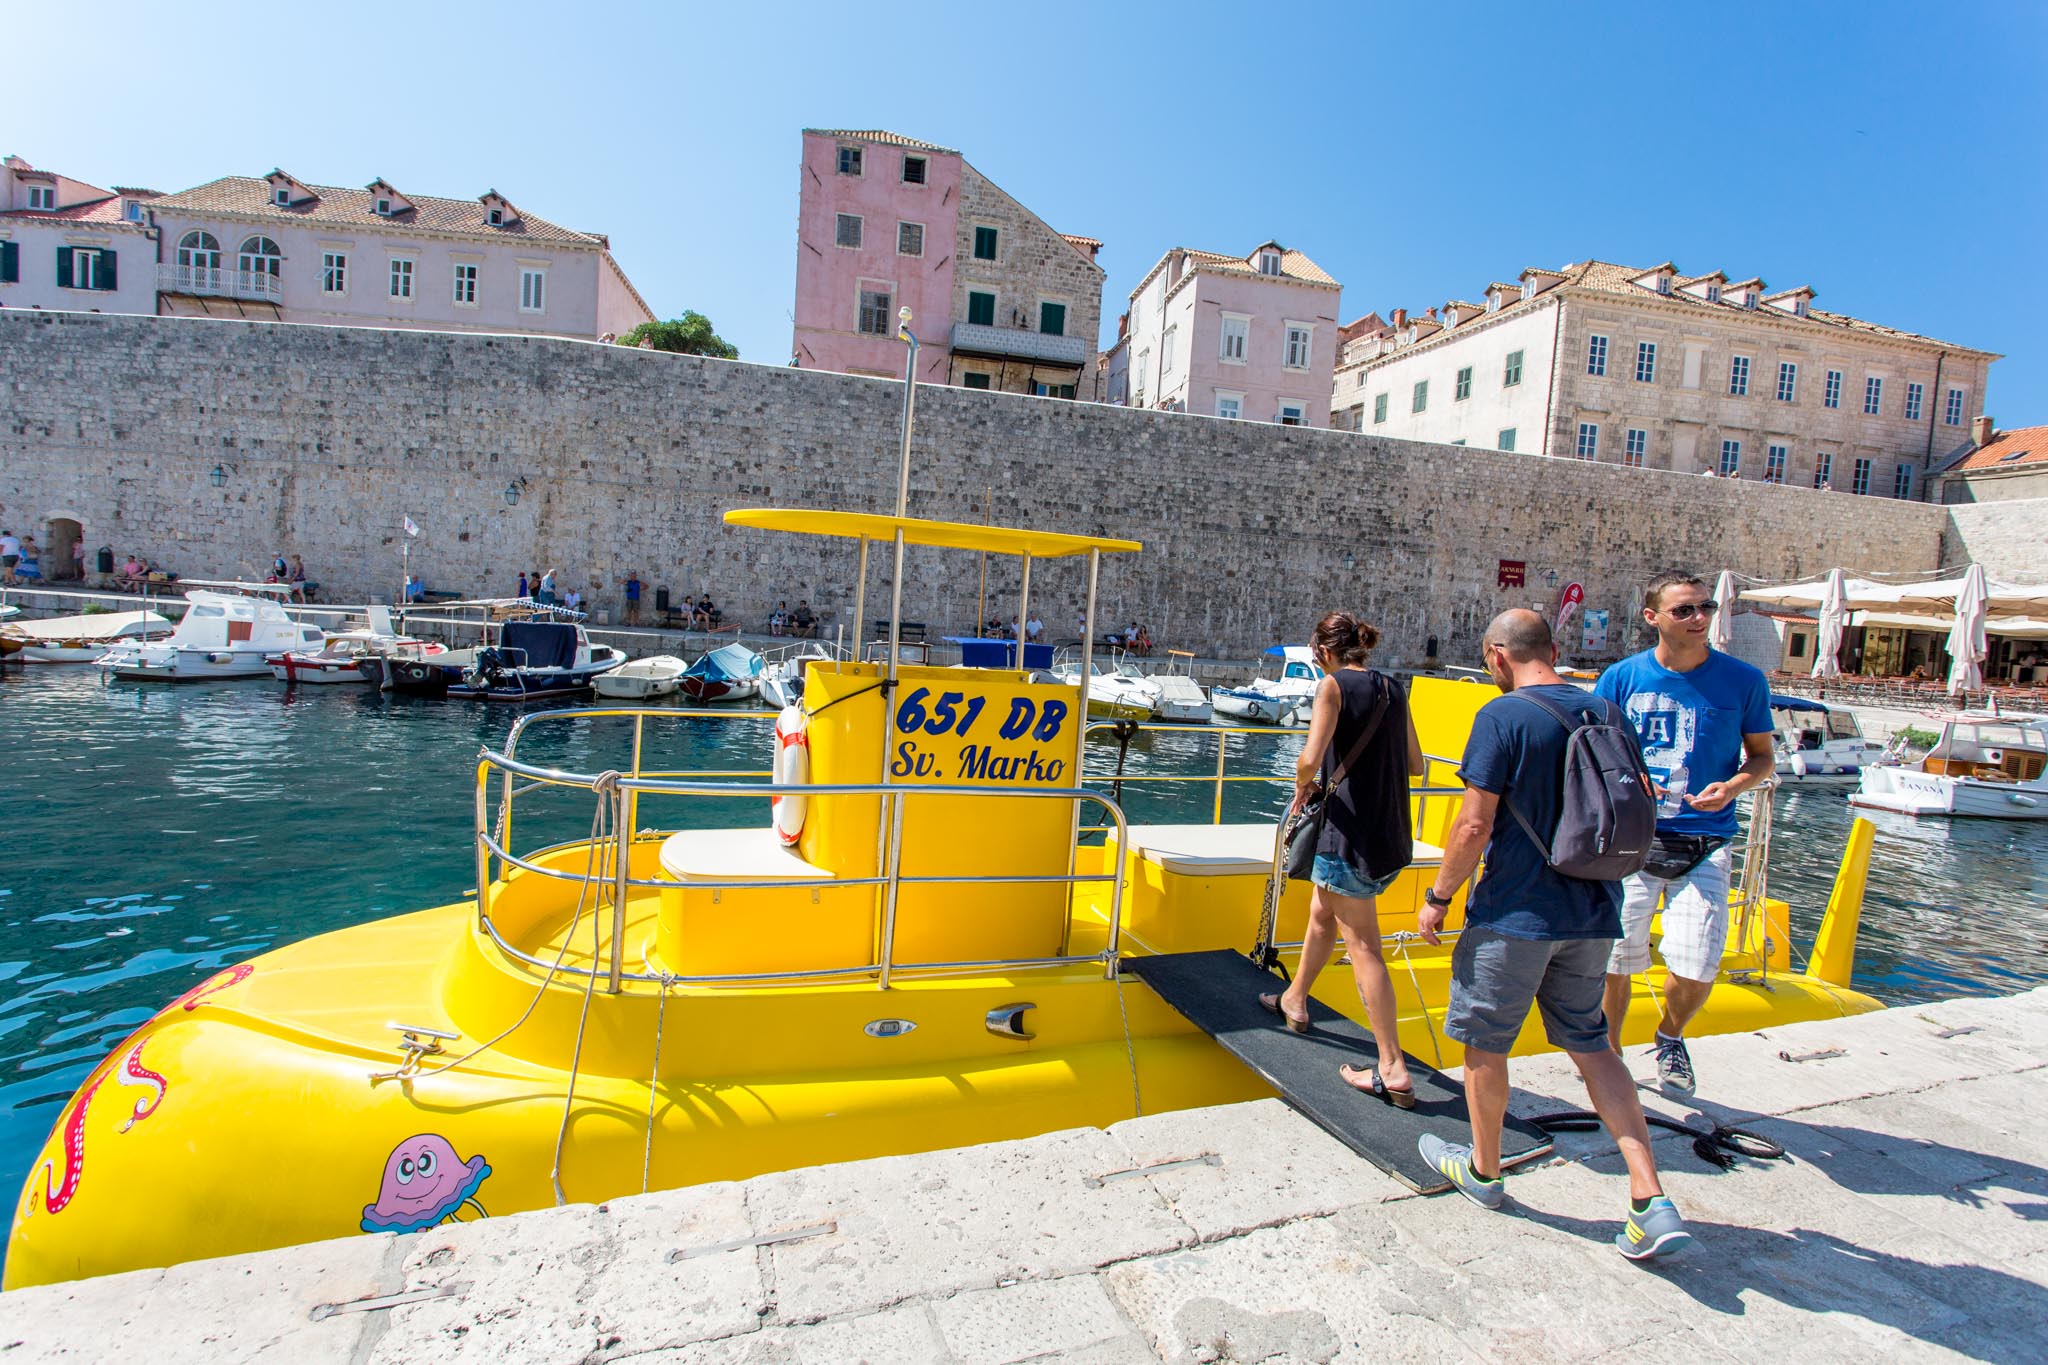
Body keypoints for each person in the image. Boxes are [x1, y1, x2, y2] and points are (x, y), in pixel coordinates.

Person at [1418, 609, 1688, 1260]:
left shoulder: (1502, 716)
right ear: (1555, 648)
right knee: (1595, 1047)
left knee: (1485, 1045)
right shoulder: (1606, 712)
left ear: (1495, 655)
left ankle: (1483, 1171)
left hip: (1516, 912)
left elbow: (1472, 826)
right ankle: (1649, 1195)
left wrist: (1439, 896)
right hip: (1594, 909)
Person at [1595, 570, 1773, 1096]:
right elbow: (1596, 748)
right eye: (1685, 610)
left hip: (1705, 838)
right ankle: (1609, 1048)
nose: (1699, 619)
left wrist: (1733, 786)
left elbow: (1762, 757)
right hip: (1631, 839)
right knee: (1614, 958)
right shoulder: (1622, 678)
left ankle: (1670, 1036)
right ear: (1652, 618)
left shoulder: (1743, 681)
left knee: (1698, 961)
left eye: (1706, 607)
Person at [1259, 612, 1425, 1105]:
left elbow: (1310, 758)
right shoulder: (1395, 689)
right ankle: (1296, 1000)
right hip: (1390, 833)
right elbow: (1415, 763)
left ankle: (1392, 1065)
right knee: (1320, 914)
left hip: (1347, 834)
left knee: (1364, 946)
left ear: (1322, 651)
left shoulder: (1331, 687)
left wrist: (1301, 786)